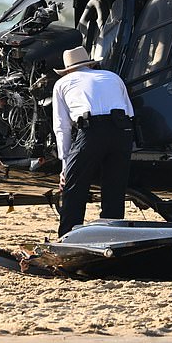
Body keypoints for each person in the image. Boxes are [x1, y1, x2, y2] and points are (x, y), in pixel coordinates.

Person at [51, 45, 135, 237]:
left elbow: (62, 127)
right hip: (122, 129)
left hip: (92, 129)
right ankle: (112, 237)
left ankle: (67, 236)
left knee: (74, 189)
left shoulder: (63, 83)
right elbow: (130, 111)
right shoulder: (112, 76)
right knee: (114, 190)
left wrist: (65, 165)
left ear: (68, 68)